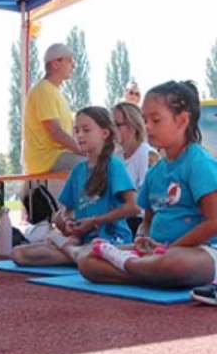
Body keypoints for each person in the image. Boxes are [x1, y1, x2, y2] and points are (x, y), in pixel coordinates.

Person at [78, 80, 217, 289]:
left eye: (156, 120)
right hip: (158, 253)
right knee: (87, 260)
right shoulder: (155, 172)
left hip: (205, 252)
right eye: (145, 120)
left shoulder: (199, 164)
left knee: (175, 264)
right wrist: (143, 239)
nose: (147, 127)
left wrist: (170, 249)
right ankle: (146, 270)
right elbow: (148, 221)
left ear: (181, 121)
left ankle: (140, 268)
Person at [11, 107, 138, 267]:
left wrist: (94, 221)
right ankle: (77, 254)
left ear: (104, 134)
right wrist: (67, 222)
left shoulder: (114, 166)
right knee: (19, 253)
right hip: (81, 241)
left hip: (112, 240)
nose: (79, 135)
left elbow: (133, 206)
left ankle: (83, 253)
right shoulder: (78, 171)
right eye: (76, 131)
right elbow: (64, 212)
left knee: (88, 251)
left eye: (86, 130)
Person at [23, 43, 82, 176]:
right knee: (93, 166)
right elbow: (56, 132)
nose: (73, 65)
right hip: (47, 159)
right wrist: (82, 150)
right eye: (69, 61)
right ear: (55, 64)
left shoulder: (54, 92)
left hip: (56, 156)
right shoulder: (43, 91)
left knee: (103, 163)